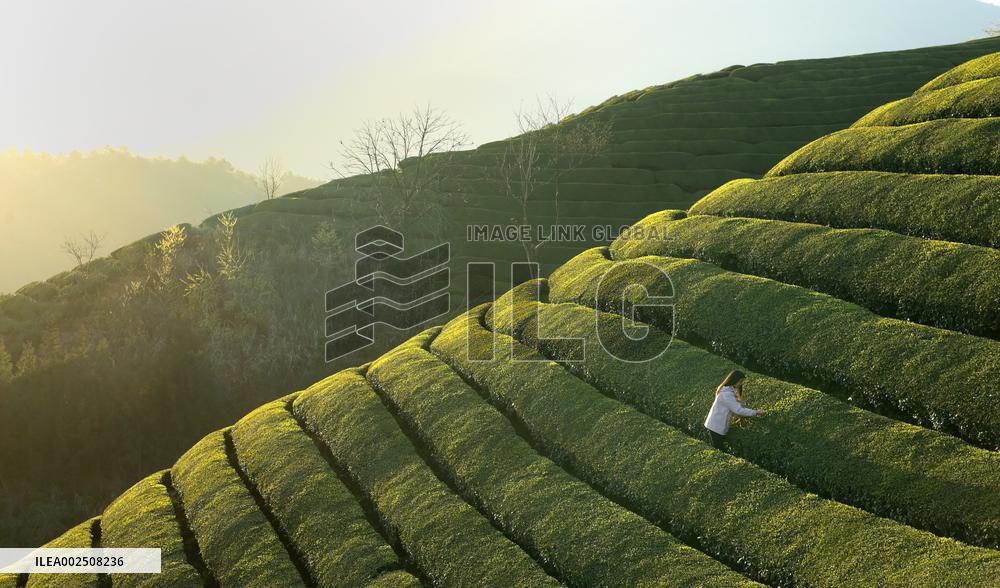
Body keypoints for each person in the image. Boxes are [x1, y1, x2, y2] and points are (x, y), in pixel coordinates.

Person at [704, 370, 765, 450]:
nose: (741, 384)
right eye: (740, 382)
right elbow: (738, 410)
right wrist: (756, 412)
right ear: (734, 380)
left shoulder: (729, 390)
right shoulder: (726, 394)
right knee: (719, 449)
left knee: (720, 448)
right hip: (715, 426)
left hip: (717, 424)